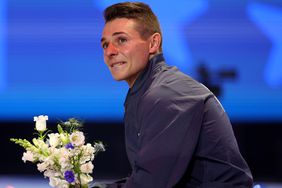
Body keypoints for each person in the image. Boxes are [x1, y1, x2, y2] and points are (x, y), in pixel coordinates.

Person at [98, 2, 253, 188]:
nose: (110, 52)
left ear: (153, 43)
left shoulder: (167, 94)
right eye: (105, 45)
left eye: (121, 40)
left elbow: (151, 183)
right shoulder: (145, 91)